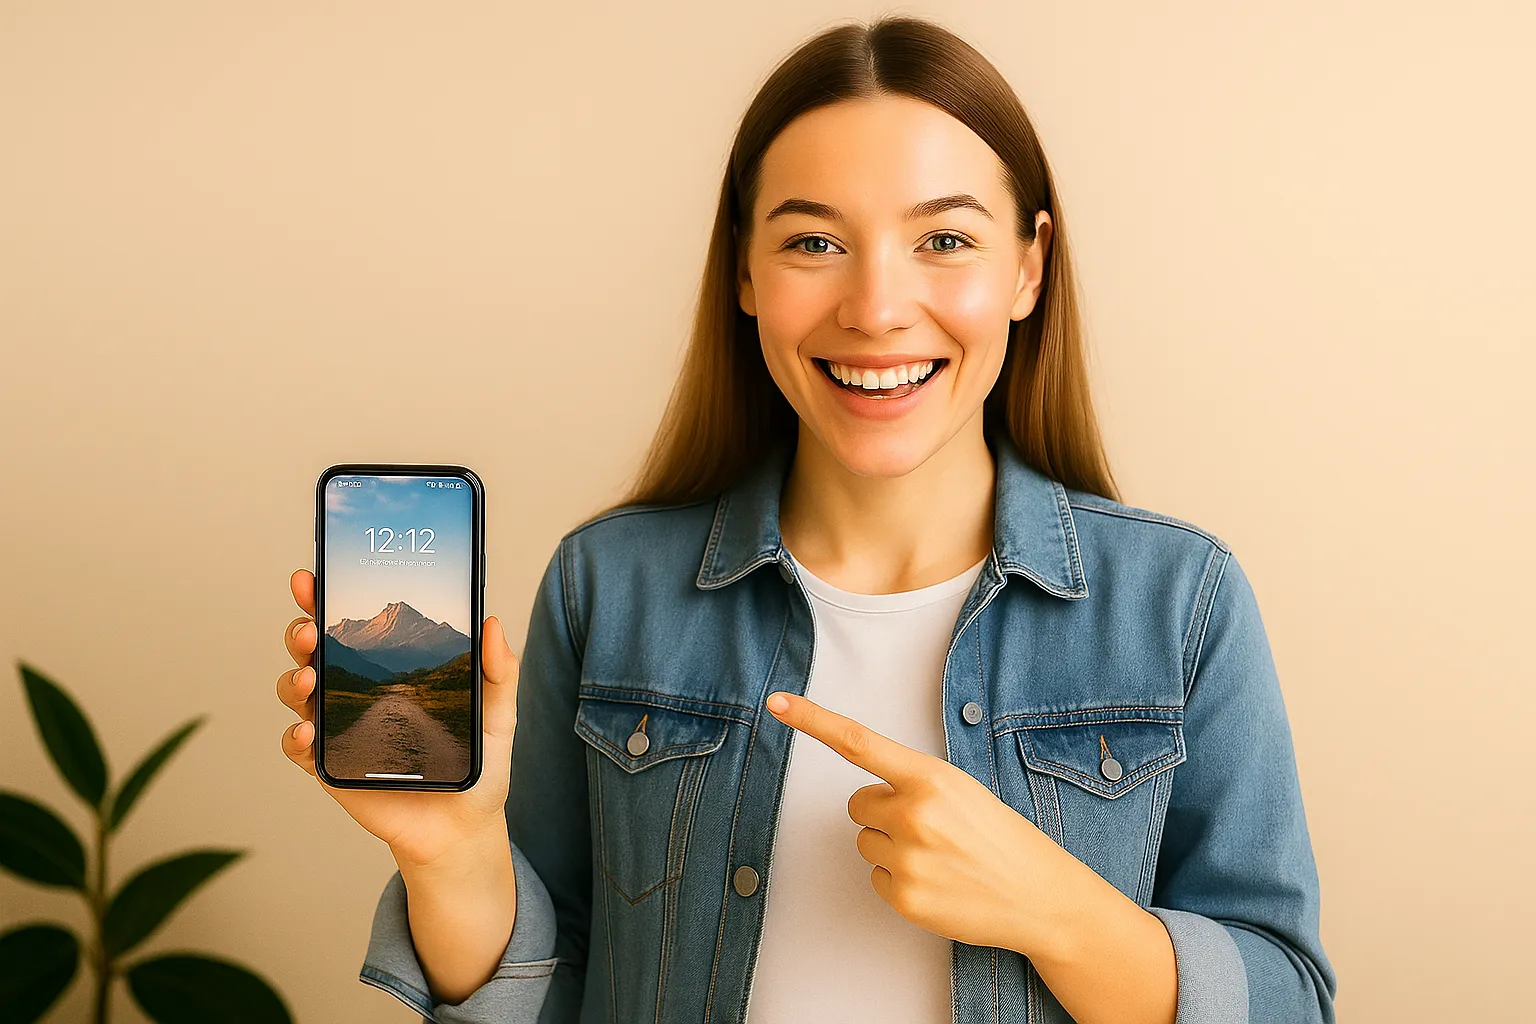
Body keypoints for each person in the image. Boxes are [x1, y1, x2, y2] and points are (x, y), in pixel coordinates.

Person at [276, 15, 1335, 1024]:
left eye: (946, 239)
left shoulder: (1181, 602)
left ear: (1028, 266)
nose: (875, 307)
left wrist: (1055, 908)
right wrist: (453, 858)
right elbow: (549, 997)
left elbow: (1290, 996)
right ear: (744, 268)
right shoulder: (609, 587)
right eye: (815, 242)